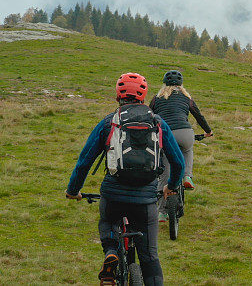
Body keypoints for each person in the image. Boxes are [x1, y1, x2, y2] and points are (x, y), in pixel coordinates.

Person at [65, 72, 185, 286]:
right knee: (150, 258)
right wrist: (172, 186)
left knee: (108, 221)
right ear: (144, 96)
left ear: (117, 96)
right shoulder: (158, 123)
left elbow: (84, 162)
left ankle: (111, 251)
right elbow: (178, 162)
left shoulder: (109, 123)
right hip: (146, 200)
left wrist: (73, 190)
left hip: (113, 195)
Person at [150, 70, 212, 198]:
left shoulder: (156, 99)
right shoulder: (186, 98)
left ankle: (161, 212)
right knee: (187, 149)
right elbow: (198, 116)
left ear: (164, 84)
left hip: (166, 135)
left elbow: (149, 117)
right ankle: (187, 176)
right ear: (181, 84)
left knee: (165, 171)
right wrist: (208, 131)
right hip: (185, 133)